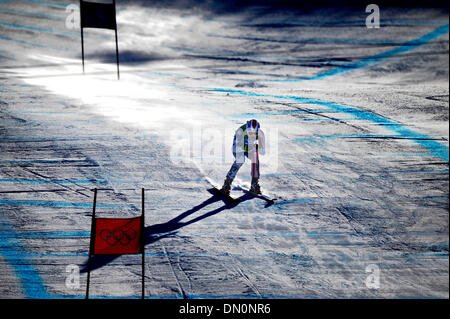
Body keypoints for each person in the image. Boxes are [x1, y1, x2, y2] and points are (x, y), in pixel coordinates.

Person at [221, 119, 265, 195]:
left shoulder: (260, 134)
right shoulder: (240, 131)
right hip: (238, 148)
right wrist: (251, 147)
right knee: (240, 160)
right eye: (250, 133)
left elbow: (262, 151)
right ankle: (227, 183)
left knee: (255, 158)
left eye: (254, 133)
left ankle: (254, 184)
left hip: (249, 148)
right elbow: (238, 147)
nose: (252, 135)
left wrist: (258, 147)